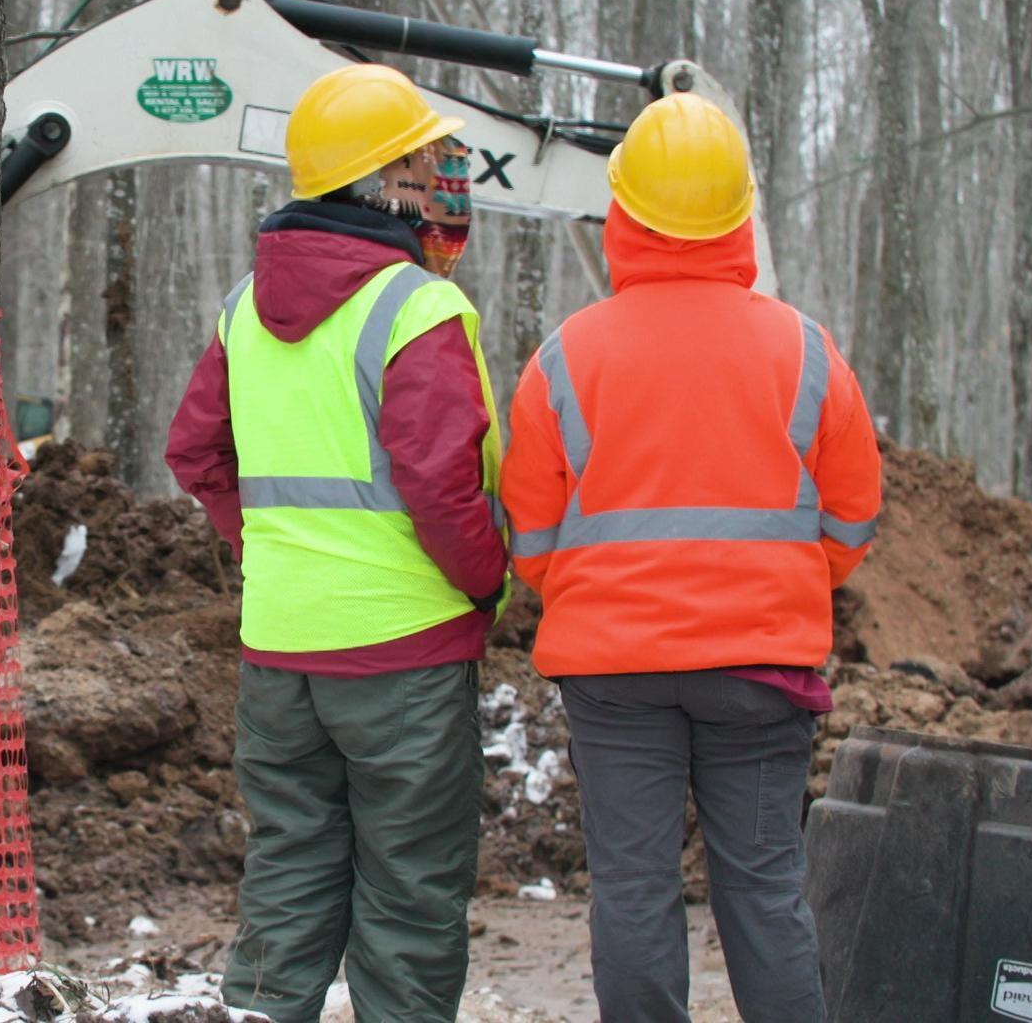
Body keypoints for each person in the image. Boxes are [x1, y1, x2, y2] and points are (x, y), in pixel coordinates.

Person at [501, 92, 882, 1023]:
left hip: (615, 673)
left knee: (633, 890)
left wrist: (603, 597)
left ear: (622, 211)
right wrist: (777, 591)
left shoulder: (565, 357)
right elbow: (853, 519)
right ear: (741, 215)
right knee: (763, 889)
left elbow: (533, 537)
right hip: (761, 669)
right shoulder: (805, 349)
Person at [165, 62, 508, 1023]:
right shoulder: (417, 309)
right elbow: (442, 484)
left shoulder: (243, 307)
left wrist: (267, 550)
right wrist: (486, 585)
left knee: (288, 871)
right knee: (408, 894)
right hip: (405, 650)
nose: (439, 179)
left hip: (282, 651)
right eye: (421, 163)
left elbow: (195, 451)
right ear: (383, 182)